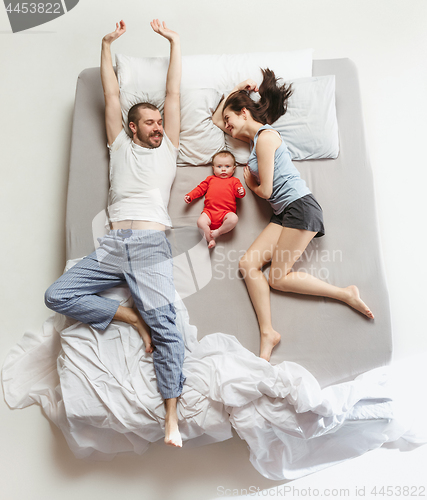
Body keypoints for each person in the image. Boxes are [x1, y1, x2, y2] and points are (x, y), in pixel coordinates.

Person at [44, 19, 184, 447]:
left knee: (167, 328)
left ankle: (171, 415)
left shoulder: (170, 149)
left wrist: (175, 42)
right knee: (57, 295)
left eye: (160, 121)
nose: (158, 126)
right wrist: (105, 45)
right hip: (111, 246)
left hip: (147, 246)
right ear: (131, 128)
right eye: (150, 122)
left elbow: (174, 94)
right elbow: (111, 94)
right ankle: (126, 315)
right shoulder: (119, 144)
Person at [212, 68, 374, 362]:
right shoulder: (252, 142)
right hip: (285, 212)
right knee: (248, 264)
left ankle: (345, 293)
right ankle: (268, 333)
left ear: (245, 112)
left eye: (230, 118)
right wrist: (237, 88)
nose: (226, 125)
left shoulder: (265, 138)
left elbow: (266, 189)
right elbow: (215, 119)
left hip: (300, 207)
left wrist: (251, 184)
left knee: (277, 278)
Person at [184, 150, 245, 248]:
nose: (223, 169)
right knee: (200, 222)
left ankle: (218, 232)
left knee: (234, 218)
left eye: (227, 166)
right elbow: (200, 189)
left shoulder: (234, 181)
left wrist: (241, 192)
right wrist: (190, 195)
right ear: (213, 169)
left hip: (226, 213)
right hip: (209, 212)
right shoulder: (210, 179)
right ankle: (210, 239)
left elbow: (239, 193)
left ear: (233, 169)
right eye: (219, 167)